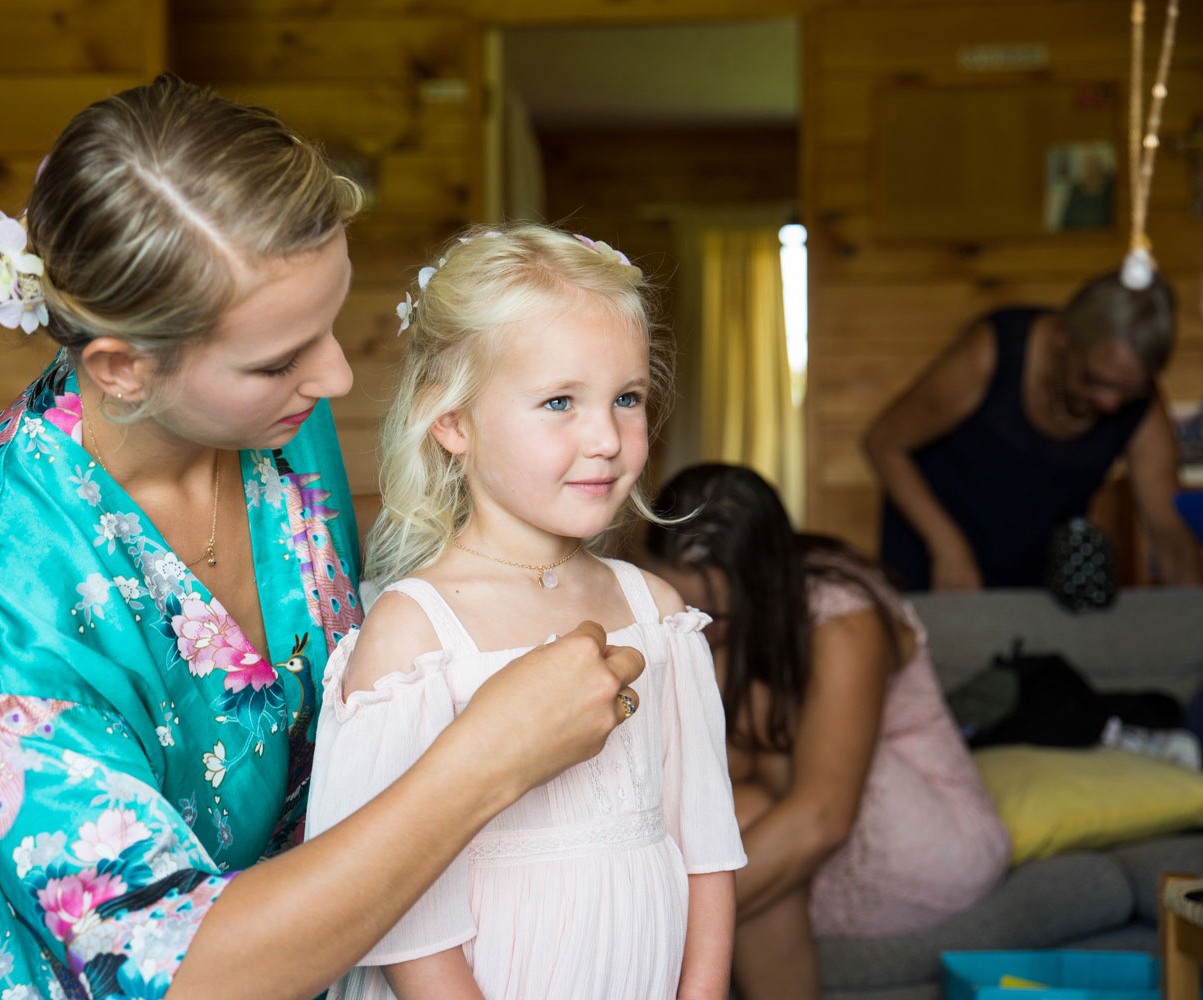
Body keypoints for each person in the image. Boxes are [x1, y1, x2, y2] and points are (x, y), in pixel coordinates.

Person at [0, 74, 646, 1000]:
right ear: (123, 366)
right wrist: (487, 760)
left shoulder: (279, 427)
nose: (335, 378)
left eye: (328, 325)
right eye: (279, 359)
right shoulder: (5, 570)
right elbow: (176, 974)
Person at [305, 225, 744, 1000]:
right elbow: (403, 919)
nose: (606, 438)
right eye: (559, 402)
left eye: (628, 398)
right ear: (453, 423)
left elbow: (705, 850)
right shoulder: (413, 637)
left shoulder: (658, 611)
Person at [643, 464, 1011, 1000]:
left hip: (926, 837)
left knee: (733, 828)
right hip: (795, 806)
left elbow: (823, 817)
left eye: (717, 614)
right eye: (685, 605)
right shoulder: (713, 613)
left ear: (758, 581)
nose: (701, 624)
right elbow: (728, 767)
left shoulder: (844, 618)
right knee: (726, 811)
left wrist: (650, 931)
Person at [863, 270, 1203, 591]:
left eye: (1127, 391)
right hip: (935, 560)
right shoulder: (993, 353)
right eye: (1093, 381)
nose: (1110, 403)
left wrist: (1189, 623)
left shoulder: (1141, 406)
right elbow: (884, 444)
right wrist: (946, 545)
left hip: (1035, 574)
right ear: (1062, 339)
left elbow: (1169, 532)